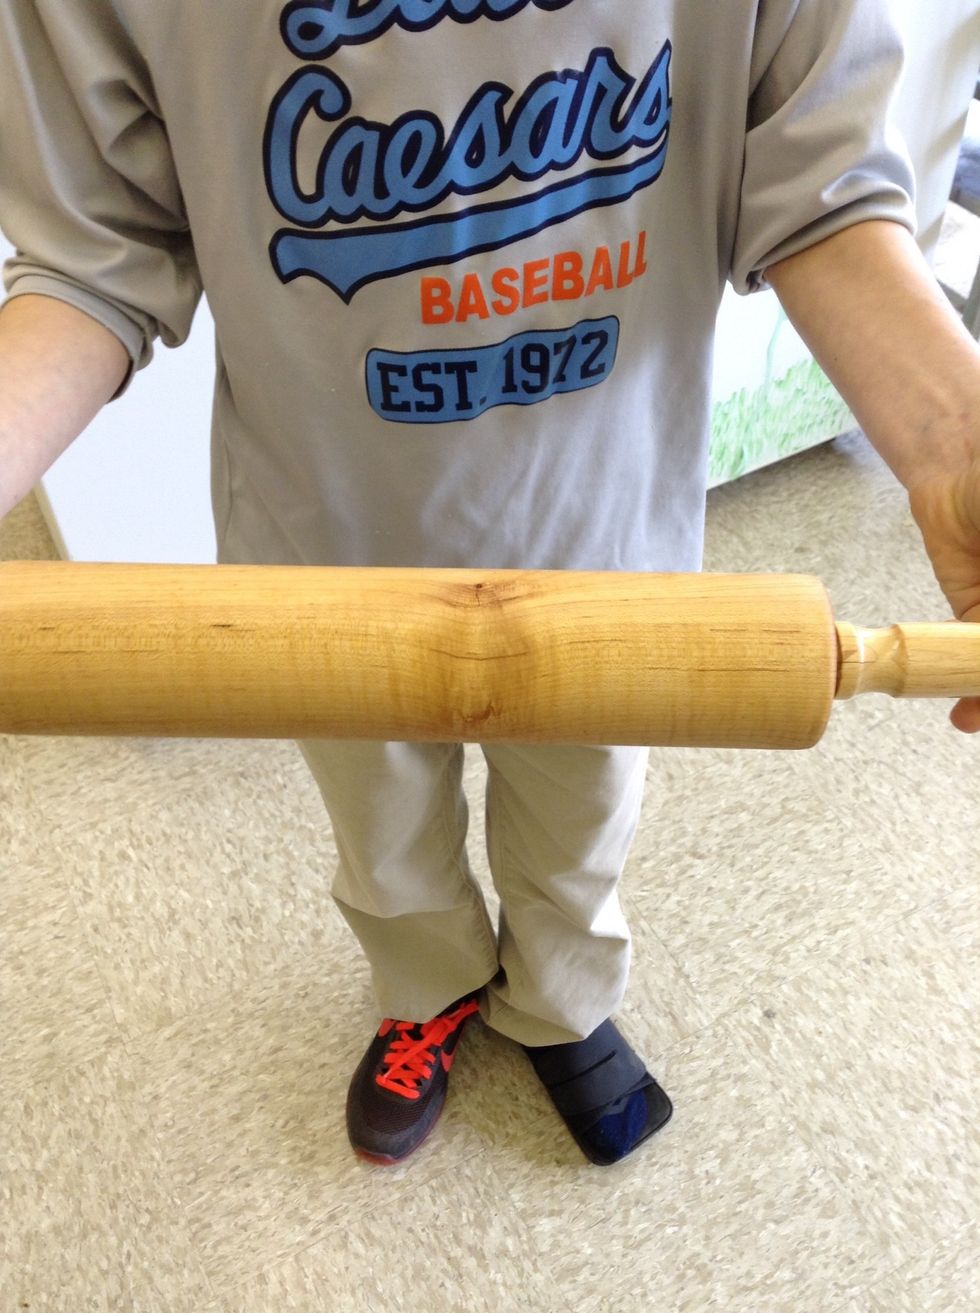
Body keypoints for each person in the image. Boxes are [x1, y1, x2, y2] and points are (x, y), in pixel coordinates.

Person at [1, 0, 978, 1167]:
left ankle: (557, 999)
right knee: (382, 827)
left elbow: (816, 179)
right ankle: (427, 989)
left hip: (601, 536)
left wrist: (953, 439)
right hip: (323, 552)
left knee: (579, 823)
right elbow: (88, 253)